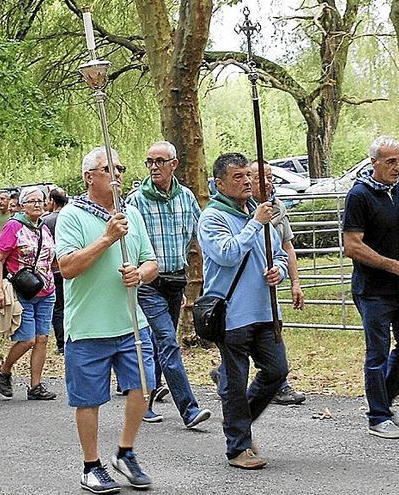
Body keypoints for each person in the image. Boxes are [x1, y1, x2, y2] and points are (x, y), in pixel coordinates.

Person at [56, 147, 158, 494]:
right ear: (89, 177)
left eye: (121, 167)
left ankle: (125, 452)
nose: (117, 174)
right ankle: (91, 466)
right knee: (89, 400)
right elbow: (67, 267)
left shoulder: (131, 213)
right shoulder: (71, 215)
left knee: (142, 388)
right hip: (88, 325)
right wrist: (107, 238)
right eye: (108, 168)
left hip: (131, 322)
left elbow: (151, 262)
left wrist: (140, 275)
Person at [199, 152, 289, 470]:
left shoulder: (258, 212)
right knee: (236, 383)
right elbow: (226, 254)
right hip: (232, 312)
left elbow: (279, 255)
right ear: (219, 183)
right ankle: (238, 448)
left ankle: (239, 423)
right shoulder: (212, 218)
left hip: (265, 310)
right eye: (238, 177)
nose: (247, 181)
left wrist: (279, 271)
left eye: (248, 175)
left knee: (277, 371)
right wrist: (254, 224)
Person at [342, 136, 399, 440]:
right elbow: (352, 246)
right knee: (376, 353)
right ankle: (378, 416)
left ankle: (382, 402)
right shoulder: (359, 195)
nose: (397, 166)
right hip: (374, 288)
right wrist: (395, 266)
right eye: (390, 161)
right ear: (374, 162)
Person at [125, 141, 212, 427]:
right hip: (148, 282)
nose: (153, 167)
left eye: (160, 161)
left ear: (174, 164)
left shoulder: (186, 197)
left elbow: (199, 235)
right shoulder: (136, 201)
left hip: (177, 280)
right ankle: (189, 409)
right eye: (149, 162)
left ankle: (144, 401)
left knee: (159, 342)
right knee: (167, 341)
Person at [249, 161, 307, 406]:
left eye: (270, 177)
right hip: (248, 284)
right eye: (259, 177)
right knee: (251, 334)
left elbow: (287, 246)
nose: (267, 182)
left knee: (271, 328)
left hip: (272, 279)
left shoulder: (279, 207)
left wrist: (295, 282)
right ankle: (275, 383)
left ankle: (278, 383)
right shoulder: (243, 210)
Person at [0, 186, 57, 401]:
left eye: (41, 200)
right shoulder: (14, 226)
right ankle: (4, 370)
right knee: (27, 339)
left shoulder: (44, 228)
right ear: (21, 205)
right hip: (23, 291)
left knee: (42, 338)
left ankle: (35, 386)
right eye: (31, 201)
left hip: (47, 290)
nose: (37, 204)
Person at [41, 187, 68, 355]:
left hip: (53, 270)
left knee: (57, 309)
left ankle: (61, 343)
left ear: (52, 201)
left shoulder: (45, 221)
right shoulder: (72, 217)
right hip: (71, 268)